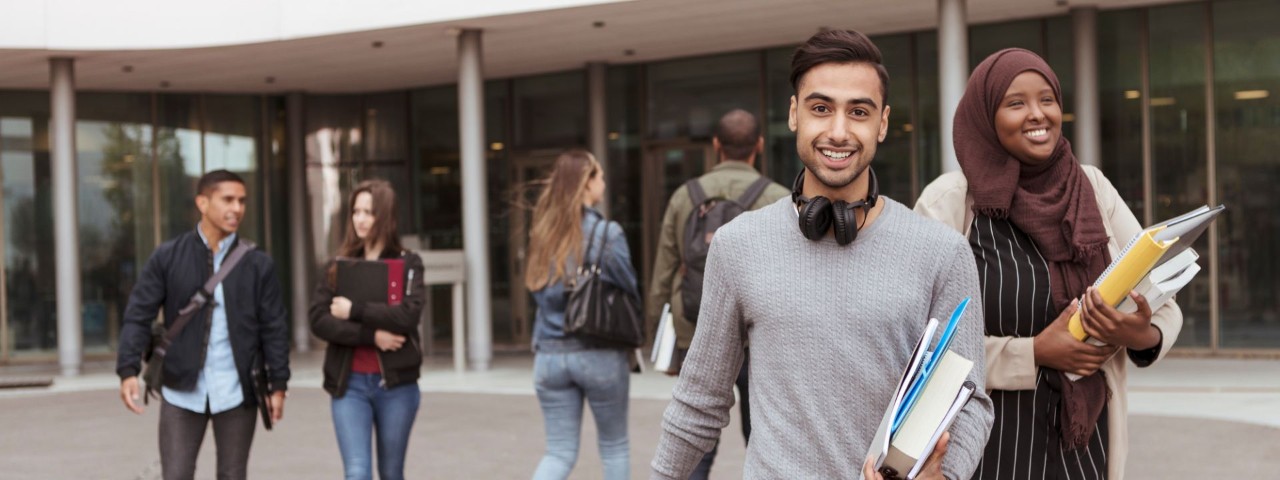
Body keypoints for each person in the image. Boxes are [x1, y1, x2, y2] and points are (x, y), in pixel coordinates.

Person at [650, 30, 993, 480]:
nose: (838, 131)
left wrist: (944, 478)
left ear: (883, 123)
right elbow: (699, 401)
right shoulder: (739, 246)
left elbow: (969, 401)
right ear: (794, 114)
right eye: (820, 108)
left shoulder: (942, 252)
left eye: (859, 112)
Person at [914, 48, 1183, 480]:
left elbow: (1161, 302)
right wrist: (1033, 353)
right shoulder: (949, 204)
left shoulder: (1091, 187)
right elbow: (917, 344)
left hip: (1083, 450)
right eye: (1015, 103)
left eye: (1048, 100)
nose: (1038, 115)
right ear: (984, 115)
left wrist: (1141, 333)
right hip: (985, 451)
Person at [116, 169, 291, 480]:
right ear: (202, 202)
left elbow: (274, 327)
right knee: (177, 474)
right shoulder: (168, 256)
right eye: (227, 199)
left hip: (238, 390)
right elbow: (139, 313)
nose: (236, 208)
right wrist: (127, 369)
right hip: (181, 390)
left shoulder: (258, 264)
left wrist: (278, 384)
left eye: (241, 201)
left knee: (232, 475)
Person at [644, 108, 789, 479]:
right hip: (761, 343)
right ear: (759, 145)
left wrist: (656, 336)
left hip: (695, 329)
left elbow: (664, 269)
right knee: (761, 434)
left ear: (715, 146)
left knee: (695, 434)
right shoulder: (778, 198)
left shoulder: (684, 196)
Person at [525, 149, 640, 480]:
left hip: (548, 357)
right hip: (599, 352)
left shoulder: (542, 233)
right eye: (599, 176)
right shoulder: (607, 234)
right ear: (586, 184)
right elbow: (628, 287)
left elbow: (536, 288)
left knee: (558, 452)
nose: (603, 182)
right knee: (614, 446)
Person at [310, 179, 425, 480]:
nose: (360, 219)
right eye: (356, 211)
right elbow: (319, 320)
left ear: (385, 216)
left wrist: (355, 311)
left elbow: (408, 315)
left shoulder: (407, 263)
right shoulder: (337, 266)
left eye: (369, 212)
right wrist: (371, 336)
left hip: (397, 387)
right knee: (357, 473)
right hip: (349, 387)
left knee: (391, 473)